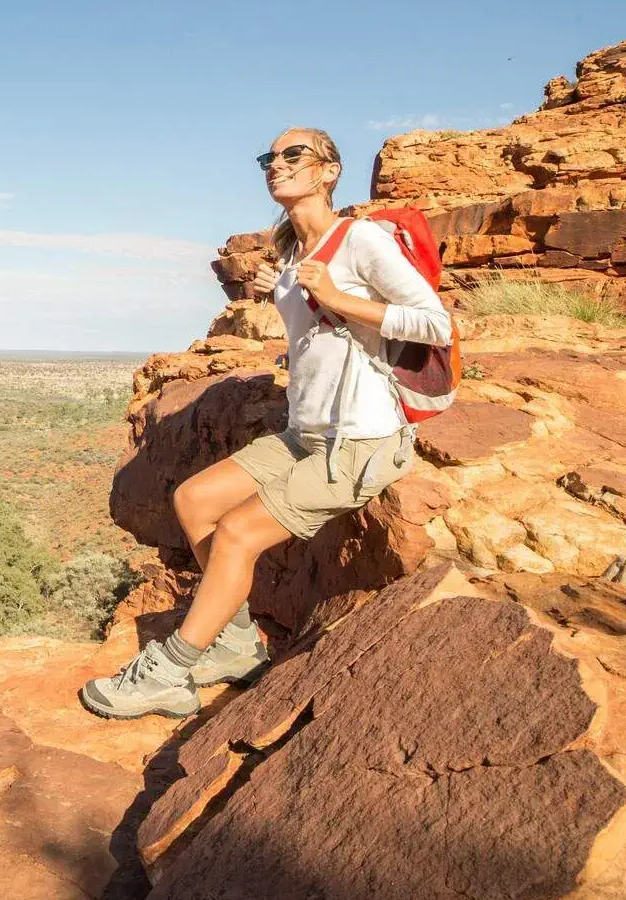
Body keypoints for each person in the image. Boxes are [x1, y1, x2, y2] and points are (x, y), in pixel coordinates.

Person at [80, 127, 452, 719]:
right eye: (269, 158)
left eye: (293, 155)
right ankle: (234, 644)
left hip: (360, 441)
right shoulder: (294, 251)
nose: (275, 165)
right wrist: (278, 291)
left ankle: (170, 672)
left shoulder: (358, 241)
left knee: (237, 534)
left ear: (329, 171)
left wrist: (341, 297)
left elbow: (436, 324)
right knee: (195, 500)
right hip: (304, 434)